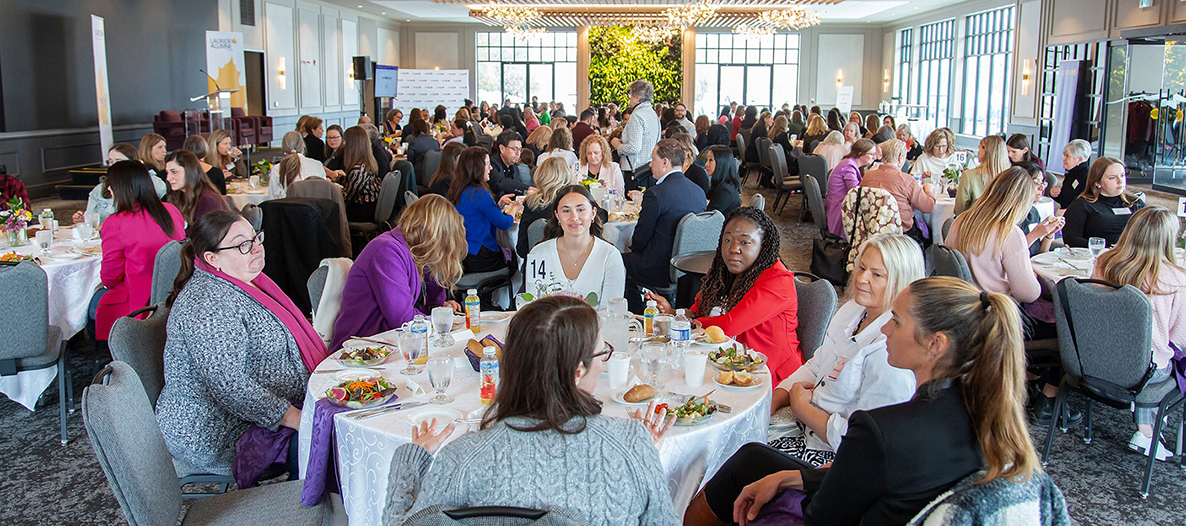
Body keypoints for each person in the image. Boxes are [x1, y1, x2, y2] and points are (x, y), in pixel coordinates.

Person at [688, 277, 1041, 526]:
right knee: (755, 459)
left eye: (897, 323)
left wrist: (796, 478)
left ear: (936, 344)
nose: (885, 330)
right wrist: (793, 477)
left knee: (743, 464)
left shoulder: (880, 430)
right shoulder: (990, 415)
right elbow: (874, 479)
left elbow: (822, 516)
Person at [381, 296, 676, 525]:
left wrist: (410, 459)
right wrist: (638, 457)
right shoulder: (632, 443)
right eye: (602, 353)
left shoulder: (460, 459)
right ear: (577, 371)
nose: (603, 362)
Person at [157, 210, 326, 476]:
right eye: (243, 245)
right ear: (212, 259)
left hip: (260, 412)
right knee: (332, 441)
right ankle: (305, 510)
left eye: (256, 238)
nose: (257, 248)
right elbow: (229, 385)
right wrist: (297, 418)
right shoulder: (208, 304)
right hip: (220, 432)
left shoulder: (246, 282)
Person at [766, 234, 924, 464]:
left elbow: (863, 442)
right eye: (861, 268)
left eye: (876, 274)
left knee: (736, 467)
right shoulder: (853, 311)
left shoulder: (891, 353)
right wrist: (776, 399)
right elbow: (816, 365)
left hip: (831, 455)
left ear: (901, 284)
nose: (861, 279)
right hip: (802, 426)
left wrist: (802, 408)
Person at [645, 207, 803, 385]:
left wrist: (688, 323)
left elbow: (730, 325)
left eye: (744, 242)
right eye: (728, 240)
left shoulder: (777, 281)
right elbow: (698, 314)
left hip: (767, 372)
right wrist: (673, 312)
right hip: (727, 361)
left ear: (763, 244)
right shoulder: (725, 272)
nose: (733, 248)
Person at [1093, 206, 1186, 460]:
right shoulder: (1176, 279)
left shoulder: (1104, 262)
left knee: (1148, 356)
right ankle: (1148, 430)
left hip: (1096, 359)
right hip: (1144, 370)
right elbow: (1179, 339)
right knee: (1168, 359)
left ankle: (1148, 427)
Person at [330, 195, 467, 352]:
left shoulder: (413, 250)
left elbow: (427, 302)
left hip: (388, 342)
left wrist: (438, 309)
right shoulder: (387, 250)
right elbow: (403, 319)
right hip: (362, 348)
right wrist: (438, 320)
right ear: (432, 236)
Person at [93, 161, 187, 342]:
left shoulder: (116, 223)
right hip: (176, 294)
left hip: (139, 302)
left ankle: (110, 354)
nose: (109, 189)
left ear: (120, 187)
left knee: (89, 305)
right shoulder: (171, 211)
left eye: (111, 184)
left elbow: (110, 277)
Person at [623, 139, 706, 312]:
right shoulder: (698, 191)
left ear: (665, 162)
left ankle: (634, 313)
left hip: (659, 268)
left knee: (618, 258)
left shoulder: (656, 194)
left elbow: (640, 240)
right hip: (688, 268)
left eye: (653, 159)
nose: (651, 164)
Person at [945, 167, 1042, 305]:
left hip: (961, 303)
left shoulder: (961, 220)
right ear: (1023, 203)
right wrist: (1033, 278)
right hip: (996, 310)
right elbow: (1029, 294)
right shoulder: (1009, 233)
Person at [525, 185, 625, 304]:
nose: (574, 217)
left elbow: (611, 313)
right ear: (558, 216)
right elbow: (532, 306)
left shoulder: (610, 256)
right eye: (566, 211)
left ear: (593, 213)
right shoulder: (539, 253)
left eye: (581, 210)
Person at [449, 146, 522, 273]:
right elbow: (504, 223)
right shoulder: (478, 193)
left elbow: (477, 215)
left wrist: (498, 207)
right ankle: (492, 291)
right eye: (487, 164)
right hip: (480, 255)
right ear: (476, 167)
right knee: (516, 260)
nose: (491, 168)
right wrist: (515, 208)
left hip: (463, 253)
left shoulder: (460, 189)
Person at [860, 139, 935, 242]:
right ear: (900, 158)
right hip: (901, 230)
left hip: (873, 229)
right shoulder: (906, 180)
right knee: (928, 234)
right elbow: (928, 207)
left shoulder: (868, 176)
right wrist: (928, 190)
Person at [72, 144, 168, 225]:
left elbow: (161, 189)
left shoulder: (142, 185)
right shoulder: (99, 189)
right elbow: (91, 218)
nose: (113, 165)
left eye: (118, 161)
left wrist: (140, 170)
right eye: (110, 161)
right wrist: (83, 220)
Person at [1062, 156, 1146, 247]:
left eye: (1122, 175)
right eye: (1112, 178)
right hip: (1097, 256)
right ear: (1097, 183)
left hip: (1133, 256)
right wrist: (1104, 248)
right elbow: (1071, 239)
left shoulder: (1135, 203)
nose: (1120, 181)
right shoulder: (1082, 205)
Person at [517, 157, 577, 259]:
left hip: (537, 269)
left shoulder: (532, 203)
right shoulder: (577, 201)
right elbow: (603, 217)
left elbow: (522, 249)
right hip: (572, 265)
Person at [163, 151, 229, 235]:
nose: (168, 178)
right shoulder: (180, 195)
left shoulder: (207, 200)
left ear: (189, 171)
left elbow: (203, 238)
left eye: (174, 172)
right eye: (167, 172)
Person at [825, 139, 877, 239]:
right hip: (839, 212)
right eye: (871, 154)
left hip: (838, 205)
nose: (874, 157)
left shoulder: (850, 163)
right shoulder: (848, 165)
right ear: (860, 153)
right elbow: (856, 191)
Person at [611, 80, 662, 178]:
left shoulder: (637, 116)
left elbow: (634, 147)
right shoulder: (652, 113)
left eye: (630, 96)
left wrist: (617, 145)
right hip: (648, 167)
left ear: (637, 98)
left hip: (635, 169)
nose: (629, 99)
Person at [955, 135, 1010, 214]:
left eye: (979, 148)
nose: (978, 151)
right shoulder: (1010, 177)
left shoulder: (969, 175)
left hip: (972, 222)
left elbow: (959, 209)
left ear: (985, 150)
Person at [339, 125, 382, 222]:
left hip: (362, 212)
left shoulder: (358, 170)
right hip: (368, 208)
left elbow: (346, 197)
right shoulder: (366, 164)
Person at [266, 131, 326, 199]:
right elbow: (323, 191)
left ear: (283, 147)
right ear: (303, 145)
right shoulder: (317, 165)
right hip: (314, 207)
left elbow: (273, 198)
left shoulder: (277, 169)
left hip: (287, 208)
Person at [1052, 139, 1091, 210]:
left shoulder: (1086, 176)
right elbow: (1064, 199)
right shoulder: (1072, 173)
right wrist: (1054, 194)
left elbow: (1082, 204)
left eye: (1067, 156)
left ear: (1080, 159)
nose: (1063, 158)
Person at [489, 130, 531, 195]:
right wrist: (528, 189)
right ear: (502, 149)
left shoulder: (515, 168)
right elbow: (500, 182)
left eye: (520, 149)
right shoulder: (491, 164)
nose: (518, 153)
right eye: (514, 149)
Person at [704, 146, 741, 216]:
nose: (706, 164)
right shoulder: (721, 183)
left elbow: (707, 216)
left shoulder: (725, 191)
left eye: (711, 160)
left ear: (722, 162)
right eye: (707, 160)